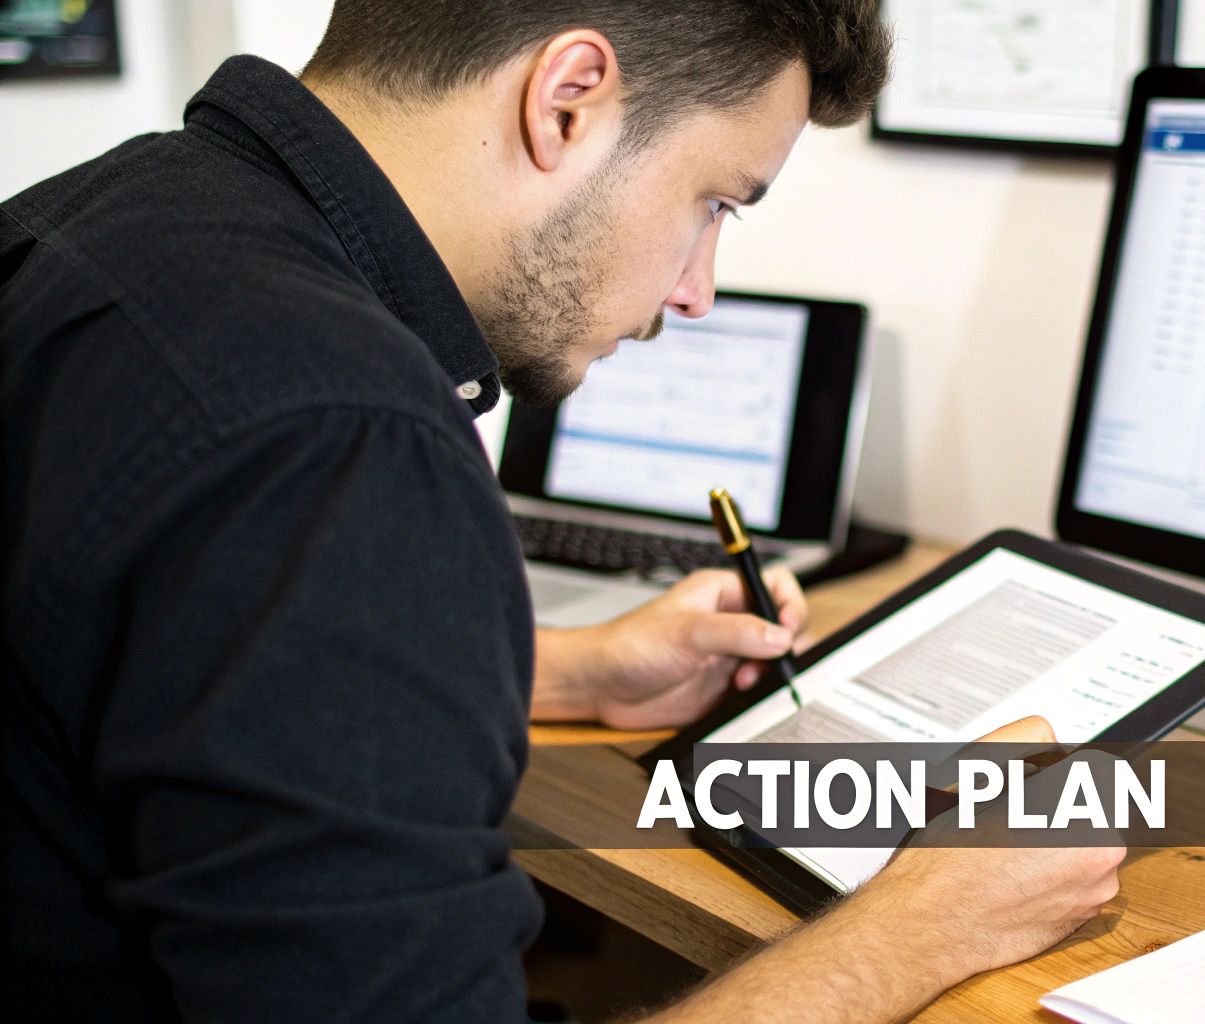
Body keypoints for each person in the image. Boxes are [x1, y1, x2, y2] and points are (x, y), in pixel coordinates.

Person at [0, 1, 1124, 1021]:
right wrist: (922, 920)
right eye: (713, 203)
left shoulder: (102, 221)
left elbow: (121, 656)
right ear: (567, 99)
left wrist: (566, 671)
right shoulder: (335, 431)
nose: (697, 290)